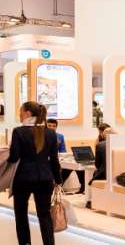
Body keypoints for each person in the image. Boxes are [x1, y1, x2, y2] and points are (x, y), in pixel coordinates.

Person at [9, 102, 62, 245]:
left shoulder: (19, 132)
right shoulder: (50, 133)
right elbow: (54, 160)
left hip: (23, 178)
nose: (19, 114)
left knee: (21, 215)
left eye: (21, 111)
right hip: (45, 178)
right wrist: (58, 180)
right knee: (44, 215)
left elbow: (14, 158)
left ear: (28, 113)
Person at [49, 118, 83, 195]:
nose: (51, 128)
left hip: (57, 158)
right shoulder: (42, 136)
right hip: (46, 160)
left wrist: (62, 159)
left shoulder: (60, 136)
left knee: (72, 166)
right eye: (49, 126)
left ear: (56, 127)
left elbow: (63, 151)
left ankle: (59, 185)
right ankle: (52, 187)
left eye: (54, 126)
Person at [87, 126, 115, 209]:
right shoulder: (121, 143)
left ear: (104, 135)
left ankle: (90, 200)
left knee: (95, 173)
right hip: (119, 174)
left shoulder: (100, 145)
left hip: (104, 174)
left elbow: (97, 164)